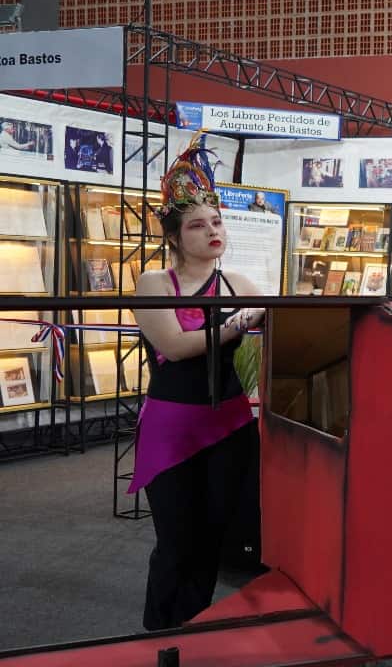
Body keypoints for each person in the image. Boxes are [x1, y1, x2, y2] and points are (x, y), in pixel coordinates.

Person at [130, 135, 265, 630]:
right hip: (172, 427)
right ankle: (159, 633)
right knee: (176, 537)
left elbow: (278, 327)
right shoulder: (153, 283)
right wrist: (240, 321)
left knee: (211, 537)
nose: (212, 230)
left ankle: (194, 633)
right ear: (175, 236)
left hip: (229, 426)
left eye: (216, 221)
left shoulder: (241, 285)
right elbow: (176, 345)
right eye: (197, 225)